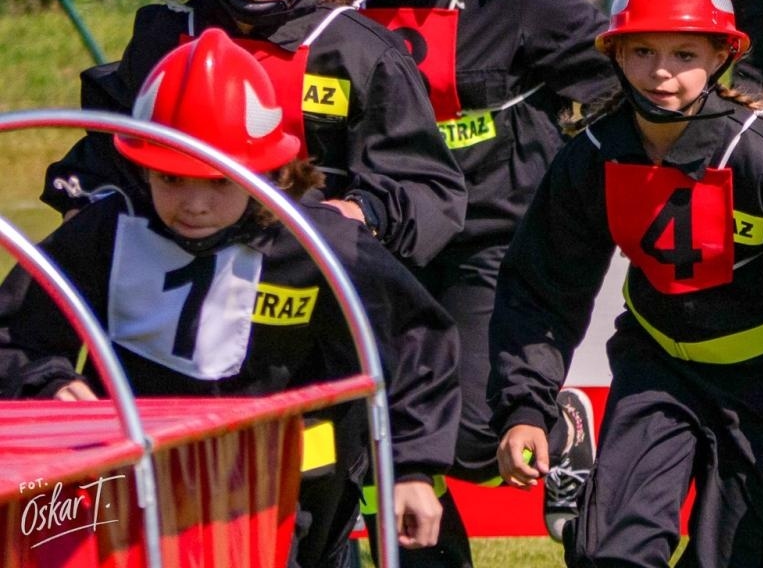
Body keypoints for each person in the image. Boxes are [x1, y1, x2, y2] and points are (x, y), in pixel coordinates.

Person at [488, 0, 763, 568]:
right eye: (642, 51)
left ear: (723, 55)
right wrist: (524, 406)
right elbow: (540, 291)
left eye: (684, 53)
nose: (661, 71)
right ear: (615, 54)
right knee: (608, 557)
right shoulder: (591, 157)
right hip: (658, 372)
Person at [0, 30, 461, 567]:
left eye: (218, 182)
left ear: (264, 170)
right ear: (139, 165)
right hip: (132, 488)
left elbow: (415, 346)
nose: (193, 205)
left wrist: (409, 468)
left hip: (291, 499)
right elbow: (15, 332)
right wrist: (48, 381)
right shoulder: (105, 232)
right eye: (171, 179)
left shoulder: (321, 248)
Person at [349, 0, 612, 562]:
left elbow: (620, 75)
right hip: (379, 246)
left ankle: (556, 424)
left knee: (466, 433)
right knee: (374, 425)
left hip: (490, 243)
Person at [41, 0, 467, 269]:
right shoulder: (163, 39)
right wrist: (86, 205)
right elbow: (107, 155)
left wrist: (355, 216)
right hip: (172, 271)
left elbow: (428, 189)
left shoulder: (362, 54)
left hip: (311, 282)